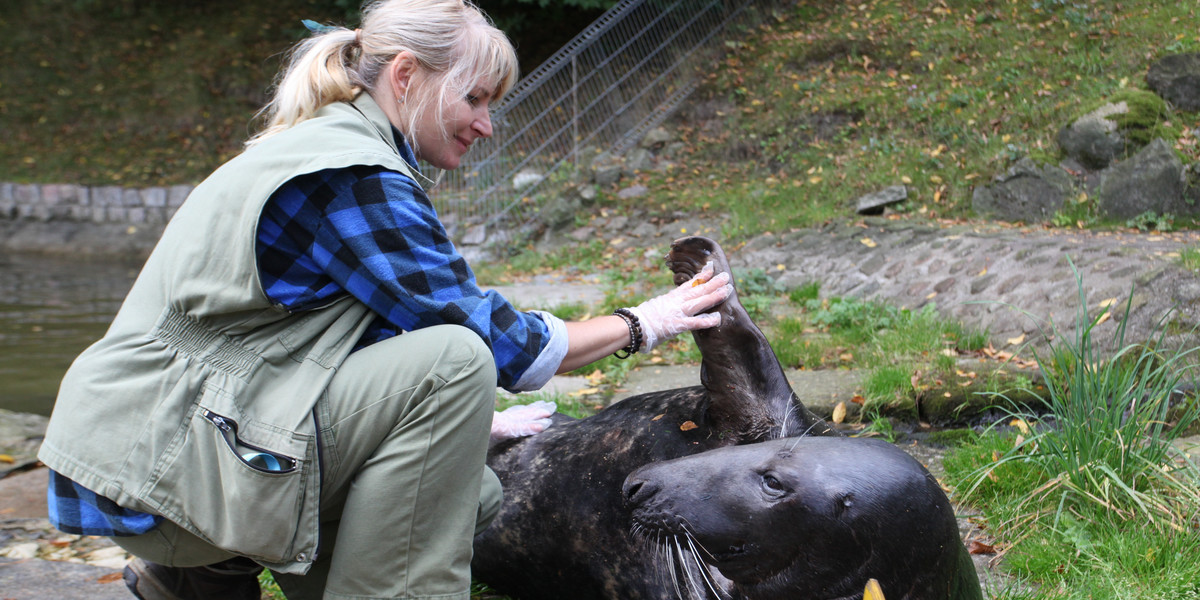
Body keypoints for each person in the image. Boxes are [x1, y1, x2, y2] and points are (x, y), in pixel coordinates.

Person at [37, 1, 732, 599]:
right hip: (170, 471)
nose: (486, 124)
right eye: (476, 98)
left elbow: (326, 340)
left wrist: (466, 430)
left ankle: (198, 582)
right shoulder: (354, 176)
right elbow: (493, 344)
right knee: (455, 364)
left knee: (473, 489)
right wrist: (646, 322)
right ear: (406, 76)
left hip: (154, 449)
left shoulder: (317, 145)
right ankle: (214, 569)